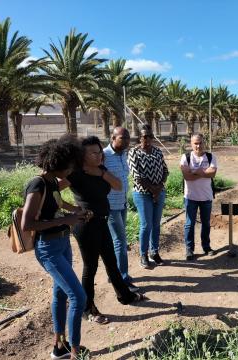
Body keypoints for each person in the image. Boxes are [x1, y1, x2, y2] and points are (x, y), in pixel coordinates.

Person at [59, 136, 145, 325]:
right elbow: (52, 190)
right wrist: (72, 209)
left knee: (111, 262)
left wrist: (100, 173)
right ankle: (87, 308)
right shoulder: (75, 173)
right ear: (83, 155)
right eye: (94, 153)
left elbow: (119, 185)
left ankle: (125, 296)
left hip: (102, 222)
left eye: (100, 151)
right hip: (86, 226)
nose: (99, 155)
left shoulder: (100, 170)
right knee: (91, 268)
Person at [21, 136, 89, 359]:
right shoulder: (38, 184)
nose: (71, 170)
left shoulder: (52, 183)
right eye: (69, 165)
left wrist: (73, 214)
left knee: (60, 295)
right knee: (79, 297)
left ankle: (60, 347)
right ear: (58, 162)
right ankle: (76, 353)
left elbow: (54, 210)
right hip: (48, 248)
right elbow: (28, 223)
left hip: (62, 243)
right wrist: (64, 221)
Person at [128, 124, 169, 269]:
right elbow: (137, 176)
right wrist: (154, 190)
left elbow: (165, 170)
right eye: (144, 136)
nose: (147, 139)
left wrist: (159, 188)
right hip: (143, 194)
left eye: (150, 136)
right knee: (146, 225)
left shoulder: (157, 151)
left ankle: (154, 252)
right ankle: (143, 254)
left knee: (156, 224)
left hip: (159, 192)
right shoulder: (133, 152)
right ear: (139, 137)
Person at [103, 127, 139, 291]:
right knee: (120, 241)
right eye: (122, 138)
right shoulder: (103, 155)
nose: (126, 141)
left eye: (128, 138)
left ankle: (114, 274)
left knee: (116, 241)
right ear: (113, 137)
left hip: (122, 204)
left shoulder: (123, 154)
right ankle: (122, 278)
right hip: (110, 207)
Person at [180, 133, 218, 260]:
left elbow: (212, 173)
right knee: (189, 224)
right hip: (190, 197)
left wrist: (194, 171)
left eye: (200, 143)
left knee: (206, 223)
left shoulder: (211, 157)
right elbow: (187, 177)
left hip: (206, 197)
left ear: (204, 142)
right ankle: (189, 249)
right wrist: (202, 172)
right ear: (191, 144)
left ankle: (206, 247)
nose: (198, 146)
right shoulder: (185, 157)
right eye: (195, 143)